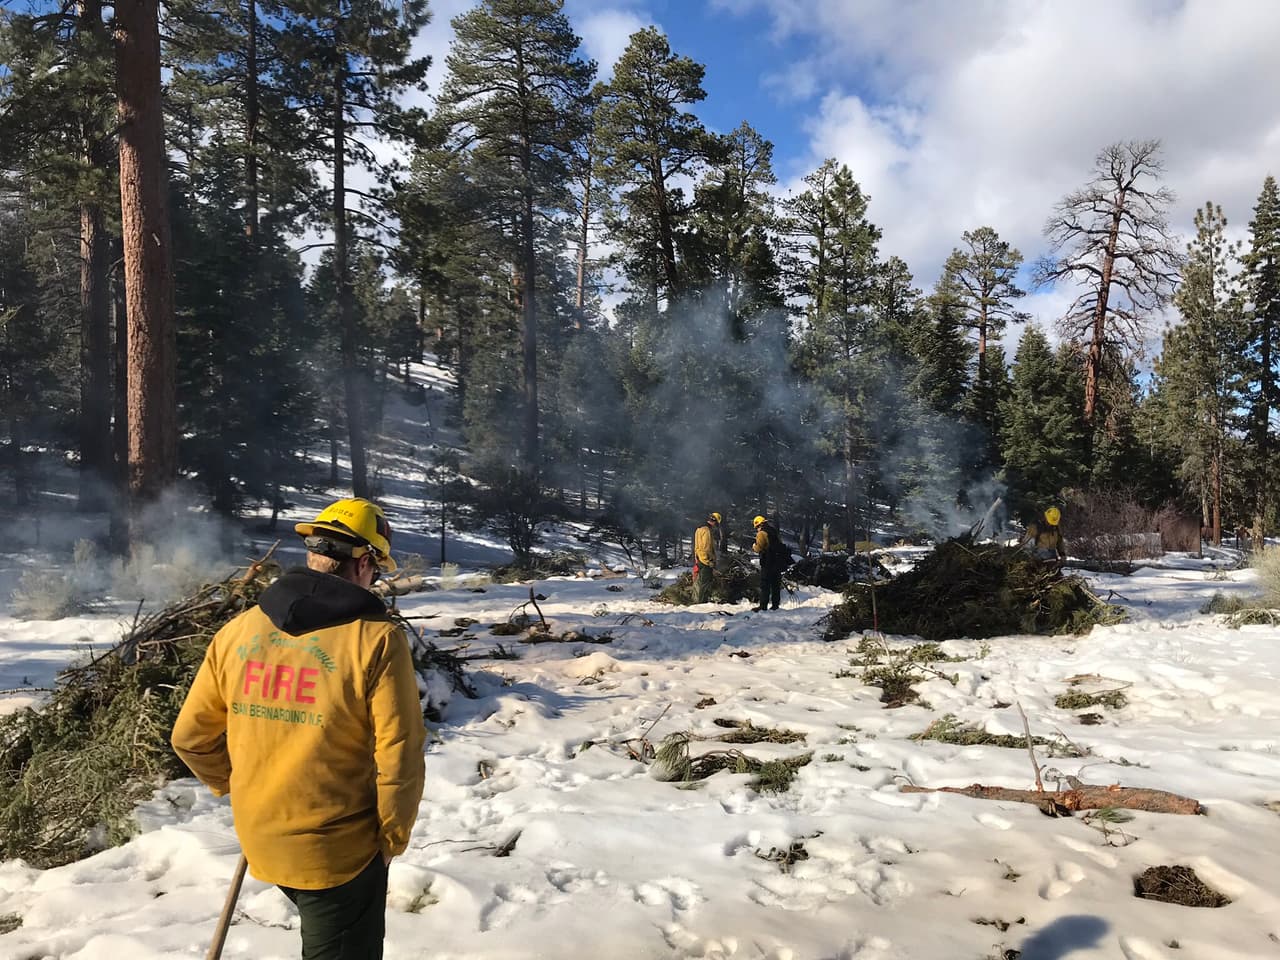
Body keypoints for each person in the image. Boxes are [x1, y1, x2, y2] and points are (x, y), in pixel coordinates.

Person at [172, 497, 426, 960]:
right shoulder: (376, 640)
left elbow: (189, 738)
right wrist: (391, 840)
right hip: (339, 855)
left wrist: (241, 785)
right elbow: (400, 752)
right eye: (377, 569)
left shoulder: (239, 631)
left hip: (261, 836)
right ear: (364, 563)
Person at [751, 514, 788, 611]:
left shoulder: (761, 533)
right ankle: (775, 605)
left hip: (768, 562)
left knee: (765, 585)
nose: (757, 529)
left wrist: (754, 546)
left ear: (758, 525)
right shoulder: (773, 531)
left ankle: (763, 606)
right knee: (776, 584)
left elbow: (759, 547)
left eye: (756, 527)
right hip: (777, 562)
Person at [692, 512, 721, 603]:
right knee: (704, 583)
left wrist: (698, 558)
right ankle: (701, 603)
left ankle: (697, 600)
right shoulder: (707, 530)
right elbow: (707, 547)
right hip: (705, 561)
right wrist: (709, 560)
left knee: (699, 582)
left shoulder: (699, 529)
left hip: (699, 558)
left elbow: (697, 546)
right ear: (714, 522)